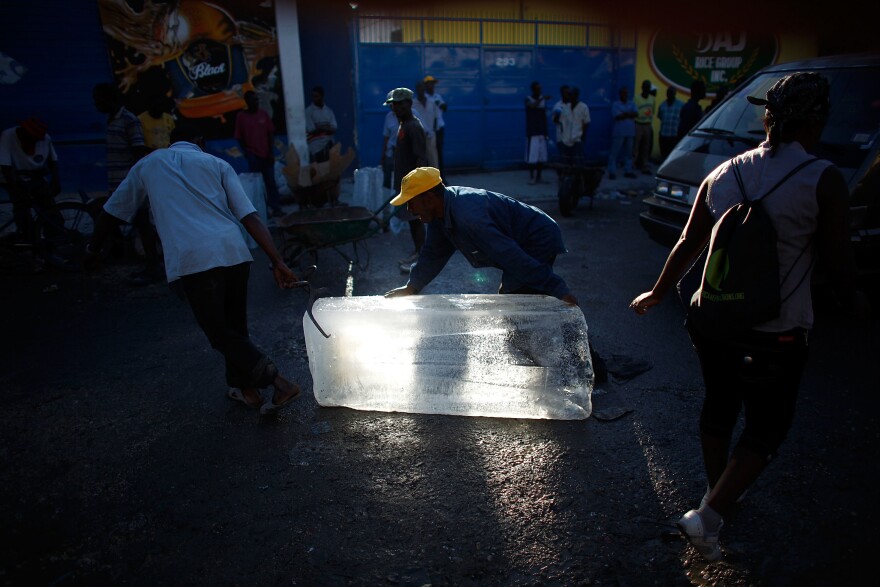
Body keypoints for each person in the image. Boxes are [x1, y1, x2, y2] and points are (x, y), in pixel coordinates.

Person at [629, 72, 869, 562]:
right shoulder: (823, 179)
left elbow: (686, 242)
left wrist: (657, 291)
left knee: (719, 408)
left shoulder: (724, 172)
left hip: (712, 322)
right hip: (776, 331)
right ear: (817, 122)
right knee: (768, 426)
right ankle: (710, 515)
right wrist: (859, 305)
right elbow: (840, 267)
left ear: (766, 118)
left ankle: (717, 495)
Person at [85, 120, 302, 415]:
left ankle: (278, 381)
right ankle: (246, 391)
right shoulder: (216, 163)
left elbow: (112, 212)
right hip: (233, 253)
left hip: (194, 260)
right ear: (199, 141)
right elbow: (249, 216)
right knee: (234, 328)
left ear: (171, 141)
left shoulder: (148, 164)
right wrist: (278, 260)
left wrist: (93, 248)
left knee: (219, 333)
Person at [384, 166, 578, 306]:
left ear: (429, 198)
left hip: (537, 237)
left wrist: (558, 289)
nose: (409, 209)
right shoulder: (439, 212)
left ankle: (584, 356)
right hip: (518, 240)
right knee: (519, 302)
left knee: (515, 302)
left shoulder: (469, 217)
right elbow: (433, 254)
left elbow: (510, 256)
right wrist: (412, 286)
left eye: (411, 202)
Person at [93, 82, 162, 285]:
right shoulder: (113, 120)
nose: (96, 105)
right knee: (121, 219)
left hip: (130, 184)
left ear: (110, 99)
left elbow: (139, 151)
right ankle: (116, 252)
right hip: (119, 183)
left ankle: (153, 266)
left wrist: (135, 183)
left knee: (142, 224)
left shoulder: (128, 120)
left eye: (99, 100)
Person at [385, 87, 428, 273]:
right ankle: (420, 251)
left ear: (409, 104)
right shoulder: (403, 124)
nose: (395, 108)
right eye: (393, 105)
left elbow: (421, 158)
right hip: (404, 182)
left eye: (399, 104)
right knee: (412, 220)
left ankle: (423, 256)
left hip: (412, 184)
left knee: (416, 220)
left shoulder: (413, 127)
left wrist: (416, 184)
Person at [0, 117, 61, 241]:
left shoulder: (44, 138)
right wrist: (17, 190)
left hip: (35, 176)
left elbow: (52, 160)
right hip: (13, 178)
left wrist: (55, 181)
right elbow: (6, 166)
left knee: (49, 207)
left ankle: (54, 238)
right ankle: (29, 238)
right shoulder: (8, 136)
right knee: (22, 208)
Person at [235, 90, 284, 218]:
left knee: (271, 182)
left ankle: (276, 208)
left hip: (266, 154)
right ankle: (263, 210)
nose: (256, 102)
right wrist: (246, 152)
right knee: (258, 185)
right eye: (253, 100)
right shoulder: (241, 117)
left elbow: (270, 134)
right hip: (253, 156)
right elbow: (239, 137)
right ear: (247, 102)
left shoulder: (263, 115)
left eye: (257, 99)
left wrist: (271, 152)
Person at [607, 87, 638, 180]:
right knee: (614, 153)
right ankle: (612, 172)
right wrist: (629, 114)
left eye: (626, 93)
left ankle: (628, 171)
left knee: (629, 153)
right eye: (623, 93)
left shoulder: (632, 103)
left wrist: (624, 114)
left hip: (630, 132)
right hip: (619, 132)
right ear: (620, 94)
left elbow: (636, 114)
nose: (625, 95)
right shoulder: (615, 104)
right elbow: (617, 116)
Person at [524, 81, 551, 185]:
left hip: (541, 132)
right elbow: (532, 106)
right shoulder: (528, 99)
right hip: (532, 132)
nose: (540, 90)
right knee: (532, 156)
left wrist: (546, 132)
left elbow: (544, 117)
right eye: (538, 89)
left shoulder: (542, 101)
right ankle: (532, 177)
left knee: (541, 156)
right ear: (533, 89)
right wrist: (542, 98)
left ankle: (539, 177)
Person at [557, 86, 591, 167]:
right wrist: (563, 135)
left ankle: (579, 178)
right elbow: (561, 122)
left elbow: (586, 123)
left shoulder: (583, 107)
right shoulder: (565, 107)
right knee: (567, 162)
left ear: (576, 96)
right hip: (566, 140)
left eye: (570, 95)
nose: (568, 97)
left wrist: (582, 136)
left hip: (577, 139)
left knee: (578, 162)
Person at [304, 85, 337, 164]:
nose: (314, 99)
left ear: (322, 96)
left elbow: (334, 128)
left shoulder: (328, 111)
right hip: (316, 145)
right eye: (313, 96)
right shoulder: (309, 111)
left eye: (316, 96)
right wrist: (326, 128)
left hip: (329, 143)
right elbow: (312, 130)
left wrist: (321, 128)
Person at [412, 80, 440, 168]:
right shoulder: (413, 104)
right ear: (416, 90)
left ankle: (435, 180)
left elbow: (436, 118)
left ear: (424, 90)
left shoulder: (432, 102)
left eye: (422, 88)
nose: (421, 90)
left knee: (433, 159)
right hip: (419, 136)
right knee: (420, 160)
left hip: (431, 136)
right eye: (419, 89)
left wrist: (434, 131)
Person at [423, 75, 446, 176]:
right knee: (429, 153)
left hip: (439, 128)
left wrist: (440, 104)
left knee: (439, 152)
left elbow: (444, 108)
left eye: (432, 84)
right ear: (426, 85)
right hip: (429, 129)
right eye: (429, 84)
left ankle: (441, 176)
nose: (431, 86)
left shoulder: (437, 97)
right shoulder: (424, 98)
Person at [633, 80, 657, 174]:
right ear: (642, 87)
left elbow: (653, 111)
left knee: (646, 146)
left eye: (648, 87)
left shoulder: (652, 99)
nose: (647, 88)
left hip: (647, 124)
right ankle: (634, 164)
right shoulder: (636, 98)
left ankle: (644, 164)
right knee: (636, 145)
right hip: (638, 124)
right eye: (645, 86)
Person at [657, 86, 684, 161]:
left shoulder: (681, 105)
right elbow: (659, 116)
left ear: (675, 94)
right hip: (664, 135)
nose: (670, 94)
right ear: (666, 94)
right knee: (664, 155)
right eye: (668, 93)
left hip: (674, 135)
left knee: (672, 157)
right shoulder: (662, 105)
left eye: (672, 93)